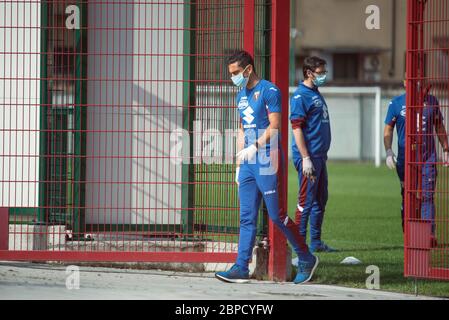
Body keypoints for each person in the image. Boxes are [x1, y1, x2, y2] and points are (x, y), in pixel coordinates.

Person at [215, 50, 319, 284]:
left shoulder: (270, 91)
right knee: (246, 217)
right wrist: (239, 164)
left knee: (276, 215)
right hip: (249, 162)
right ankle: (241, 267)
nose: (233, 77)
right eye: (230, 73)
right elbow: (242, 129)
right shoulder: (240, 95)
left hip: (267, 157)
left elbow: (275, 127)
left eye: (235, 73)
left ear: (248, 69)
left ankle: (306, 257)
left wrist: (256, 147)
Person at [384, 77, 448, 242]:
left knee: (427, 195)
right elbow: (388, 130)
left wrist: (446, 149)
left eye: (420, 81)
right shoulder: (396, 103)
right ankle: (410, 231)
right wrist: (389, 151)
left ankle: (428, 234)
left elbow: (439, 125)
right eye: (411, 80)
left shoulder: (432, 100)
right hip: (406, 159)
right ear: (405, 82)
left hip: (428, 157)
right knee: (408, 195)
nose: (416, 83)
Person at [290, 56, 336, 253]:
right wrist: (305, 158)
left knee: (320, 199)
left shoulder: (315, 92)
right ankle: (299, 245)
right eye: (320, 73)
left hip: (319, 157)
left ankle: (315, 241)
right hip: (309, 158)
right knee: (305, 201)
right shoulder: (301, 96)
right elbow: (297, 128)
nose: (324, 76)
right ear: (309, 73)